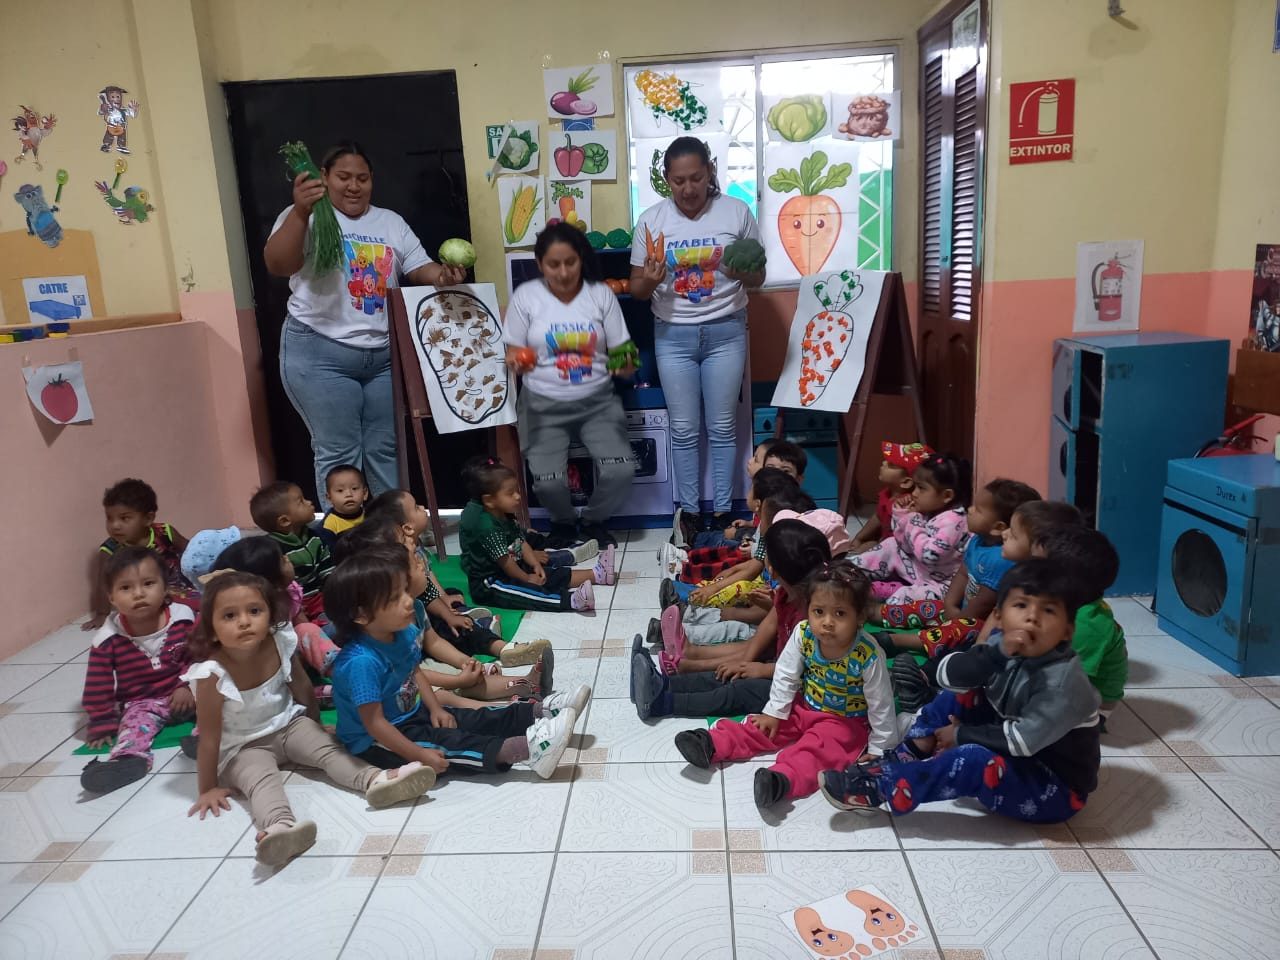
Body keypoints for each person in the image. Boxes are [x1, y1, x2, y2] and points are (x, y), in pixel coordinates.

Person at [184, 571, 436, 866]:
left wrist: (315, 726)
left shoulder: (279, 642)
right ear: (212, 629)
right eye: (230, 616)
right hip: (243, 747)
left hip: (289, 725)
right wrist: (207, 788)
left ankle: (377, 780)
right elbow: (210, 736)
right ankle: (280, 828)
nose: (244, 622)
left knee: (329, 751)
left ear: (271, 615)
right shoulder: (211, 674)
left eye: (254, 611)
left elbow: (301, 687)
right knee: (262, 781)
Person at [821, 559, 1102, 823]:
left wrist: (960, 735)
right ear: (999, 616)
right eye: (1021, 605)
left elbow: (1022, 741)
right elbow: (947, 677)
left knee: (972, 759)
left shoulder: (1064, 683)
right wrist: (992, 656)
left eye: (1048, 611)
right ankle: (906, 754)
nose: (1032, 619)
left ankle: (878, 788)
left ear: (1067, 631)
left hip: (1052, 785)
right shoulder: (1003, 644)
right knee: (959, 694)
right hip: (1009, 741)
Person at [263, 141, 467, 504]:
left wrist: (443, 276)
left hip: (382, 358)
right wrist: (300, 212)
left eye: (362, 178)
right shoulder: (308, 216)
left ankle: (390, 530)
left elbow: (418, 267)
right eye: (344, 177)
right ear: (324, 177)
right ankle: (346, 534)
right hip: (319, 352)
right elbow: (278, 264)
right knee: (340, 452)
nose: (353, 186)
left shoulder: (390, 222)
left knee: (385, 449)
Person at [325, 549, 582, 778]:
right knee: (452, 743)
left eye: (404, 591)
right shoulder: (361, 662)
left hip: (413, 714)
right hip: (378, 741)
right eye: (394, 598)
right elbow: (375, 724)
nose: (407, 601)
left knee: (472, 717)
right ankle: (529, 750)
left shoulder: (401, 632)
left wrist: (435, 708)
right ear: (362, 615)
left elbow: (415, 672)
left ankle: (541, 712)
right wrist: (418, 754)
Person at [673, 561, 901, 809]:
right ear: (808, 609)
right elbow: (786, 673)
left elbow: (881, 705)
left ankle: (780, 780)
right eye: (818, 611)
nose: (827, 622)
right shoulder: (804, 633)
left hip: (844, 722)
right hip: (804, 704)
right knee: (762, 725)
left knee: (819, 751)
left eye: (840, 614)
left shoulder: (868, 655)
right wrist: (775, 711)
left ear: (860, 617)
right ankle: (712, 743)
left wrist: (881, 748)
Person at [630, 137, 765, 544]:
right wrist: (648, 281)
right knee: (684, 430)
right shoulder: (651, 221)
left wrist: (740, 271)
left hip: (727, 331)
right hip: (672, 335)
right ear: (666, 179)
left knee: (722, 427)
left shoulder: (736, 212)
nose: (688, 189)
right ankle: (689, 514)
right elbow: (637, 289)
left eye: (697, 178)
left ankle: (722, 514)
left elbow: (758, 277)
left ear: (710, 171)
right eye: (679, 181)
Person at [505, 222, 638, 549]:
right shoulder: (526, 296)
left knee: (621, 470)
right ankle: (563, 523)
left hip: (598, 401)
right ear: (540, 264)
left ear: (581, 259)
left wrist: (626, 364)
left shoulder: (600, 294)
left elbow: (623, 350)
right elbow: (512, 351)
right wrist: (518, 361)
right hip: (541, 402)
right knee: (547, 482)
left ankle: (594, 521)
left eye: (570, 262)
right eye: (554, 264)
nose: (563, 273)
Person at [632, 518, 832, 722]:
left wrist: (762, 669)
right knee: (726, 673)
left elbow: (806, 668)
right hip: (779, 666)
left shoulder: (815, 615)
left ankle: (661, 704)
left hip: (799, 689)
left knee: (738, 690)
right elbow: (769, 626)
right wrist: (744, 663)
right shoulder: (785, 594)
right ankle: (662, 684)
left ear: (771, 569)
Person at [80, 547, 195, 793]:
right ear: (111, 597)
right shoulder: (107, 639)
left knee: (220, 700)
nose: (139, 594)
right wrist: (101, 720)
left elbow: (202, 656)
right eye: (126, 588)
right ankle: (128, 760)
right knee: (134, 725)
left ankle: (205, 740)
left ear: (165, 588)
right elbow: (98, 684)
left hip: (188, 693)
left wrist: (187, 684)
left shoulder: (183, 619)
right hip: (143, 702)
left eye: (148, 583)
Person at [879, 478, 1042, 652]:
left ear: (997, 527)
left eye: (978, 510)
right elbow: (963, 573)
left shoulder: (1001, 558)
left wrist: (956, 620)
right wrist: (950, 604)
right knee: (929, 606)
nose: (969, 510)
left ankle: (897, 641)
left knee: (961, 629)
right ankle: (878, 613)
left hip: (977, 623)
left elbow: (983, 603)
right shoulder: (977, 540)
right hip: (959, 610)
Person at [458, 456, 613, 612]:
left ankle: (597, 574)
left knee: (549, 574)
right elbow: (506, 562)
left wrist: (535, 565)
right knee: (528, 593)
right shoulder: (486, 525)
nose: (518, 496)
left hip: (514, 566)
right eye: (510, 493)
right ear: (489, 500)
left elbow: (520, 542)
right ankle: (572, 601)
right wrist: (527, 578)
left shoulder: (503, 514)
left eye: (516, 491)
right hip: (491, 582)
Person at [1032, 526, 1127, 725]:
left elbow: (1068, 681)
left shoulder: (1085, 625)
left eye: (1036, 568)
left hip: (1091, 703)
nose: (1026, 572)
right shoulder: (1073, 602)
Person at [211, 535, 339, 679]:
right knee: (312, 631)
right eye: (283, 560)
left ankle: (335, 665)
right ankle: (341, 674)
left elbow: (301, 621)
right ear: (273, 580)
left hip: (293, 649)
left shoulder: (290, 591)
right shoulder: (258, 607)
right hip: (269, 660)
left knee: (329, 625)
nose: (288, 559)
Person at [851, 453, 972, 604]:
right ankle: (849, 572)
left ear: (947, 496)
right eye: (915, 486)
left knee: (904, 596)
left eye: (921, 488)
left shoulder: (954, 522)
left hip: (941, 585)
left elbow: (929, 556)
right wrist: (902, 515)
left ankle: (882, 606)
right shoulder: (930, 511)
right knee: (891, 544)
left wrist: (913, 520)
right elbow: (905, 546)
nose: (914, 493)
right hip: (919, 570)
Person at [87, 478, 196, 630]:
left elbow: (193, 552)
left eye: (124, 518)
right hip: (140, 597)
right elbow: (103, 584)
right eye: (109, 518)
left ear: (148, 518)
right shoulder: (110, 549)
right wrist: (101, 614)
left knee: (209, 599)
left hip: (179, 586)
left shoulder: (165, 532)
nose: (115, 525)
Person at [250, 481, 333, 621]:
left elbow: (326, 566)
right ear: (284, 521)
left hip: (319, 598)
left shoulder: (314, 536)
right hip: (294, 605)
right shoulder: (273, 549)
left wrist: (335, 586)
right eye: (301, 501)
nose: (309, 502)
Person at [852, 442, 933, 554]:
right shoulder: (887, 493)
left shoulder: (906, 505)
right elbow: (878, 517)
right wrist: (859, 538)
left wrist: (874, 546)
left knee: (865, 552)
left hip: (900, 549)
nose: (883, 463)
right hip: (885, 540)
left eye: (891, 464)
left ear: (905, 482)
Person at [321, 464, 369, 542]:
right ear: (329, 498)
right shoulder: (328, 526)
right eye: (340, 490)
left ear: (365, 493)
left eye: (354, 488)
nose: (349, 494)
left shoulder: (371, 516)